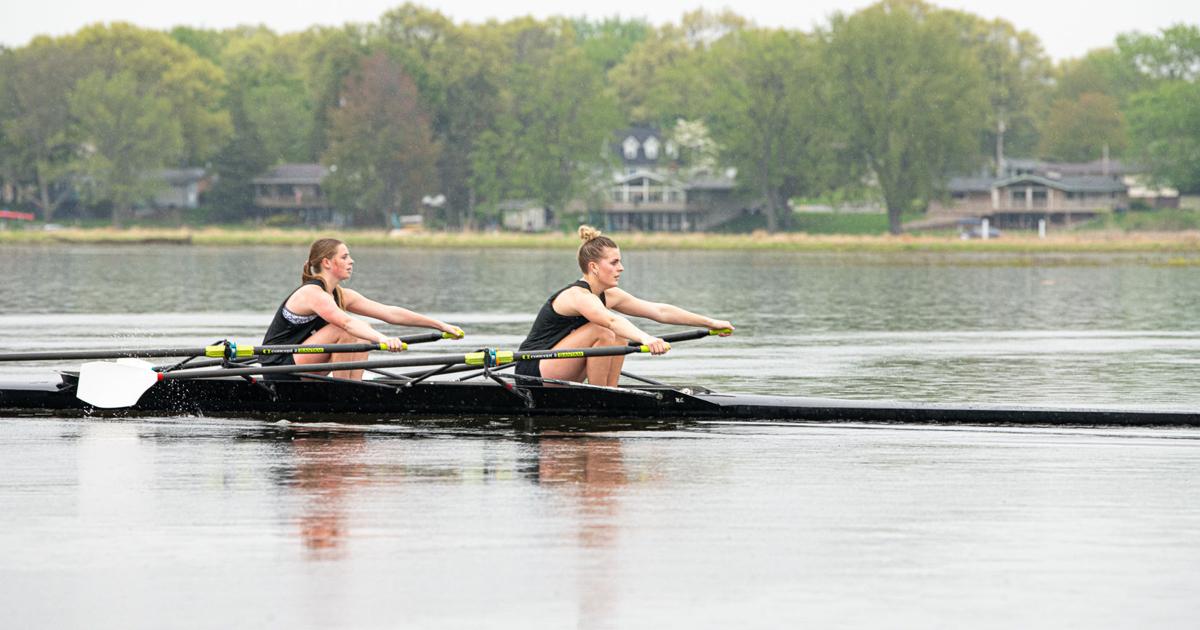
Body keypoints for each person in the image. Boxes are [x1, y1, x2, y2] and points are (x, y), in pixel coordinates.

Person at [515, 226, 733, 386]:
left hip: (558, 367)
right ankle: (600, 396)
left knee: (615, 336)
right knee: (603, 330)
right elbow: (611, 320)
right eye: (614, 263)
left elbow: (659, 311)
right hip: (531, 369)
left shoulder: (608, 295)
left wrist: (711, 322)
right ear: (594, 267)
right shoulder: (577, 295)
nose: (621, 268)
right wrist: (646, 339)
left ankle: (610, 389)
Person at [260, 238, 463, 380]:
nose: (351, 261)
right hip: (279, 366)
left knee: (364, 332)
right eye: (345, 257)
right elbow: (346, 323)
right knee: (343, 329)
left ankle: (354, 388)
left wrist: (440, 325)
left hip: (304, 364)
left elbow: (390, 313)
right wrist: (383, 339)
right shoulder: (313, 293)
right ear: (327, 263)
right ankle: (343, 392)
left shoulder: (341, 294)